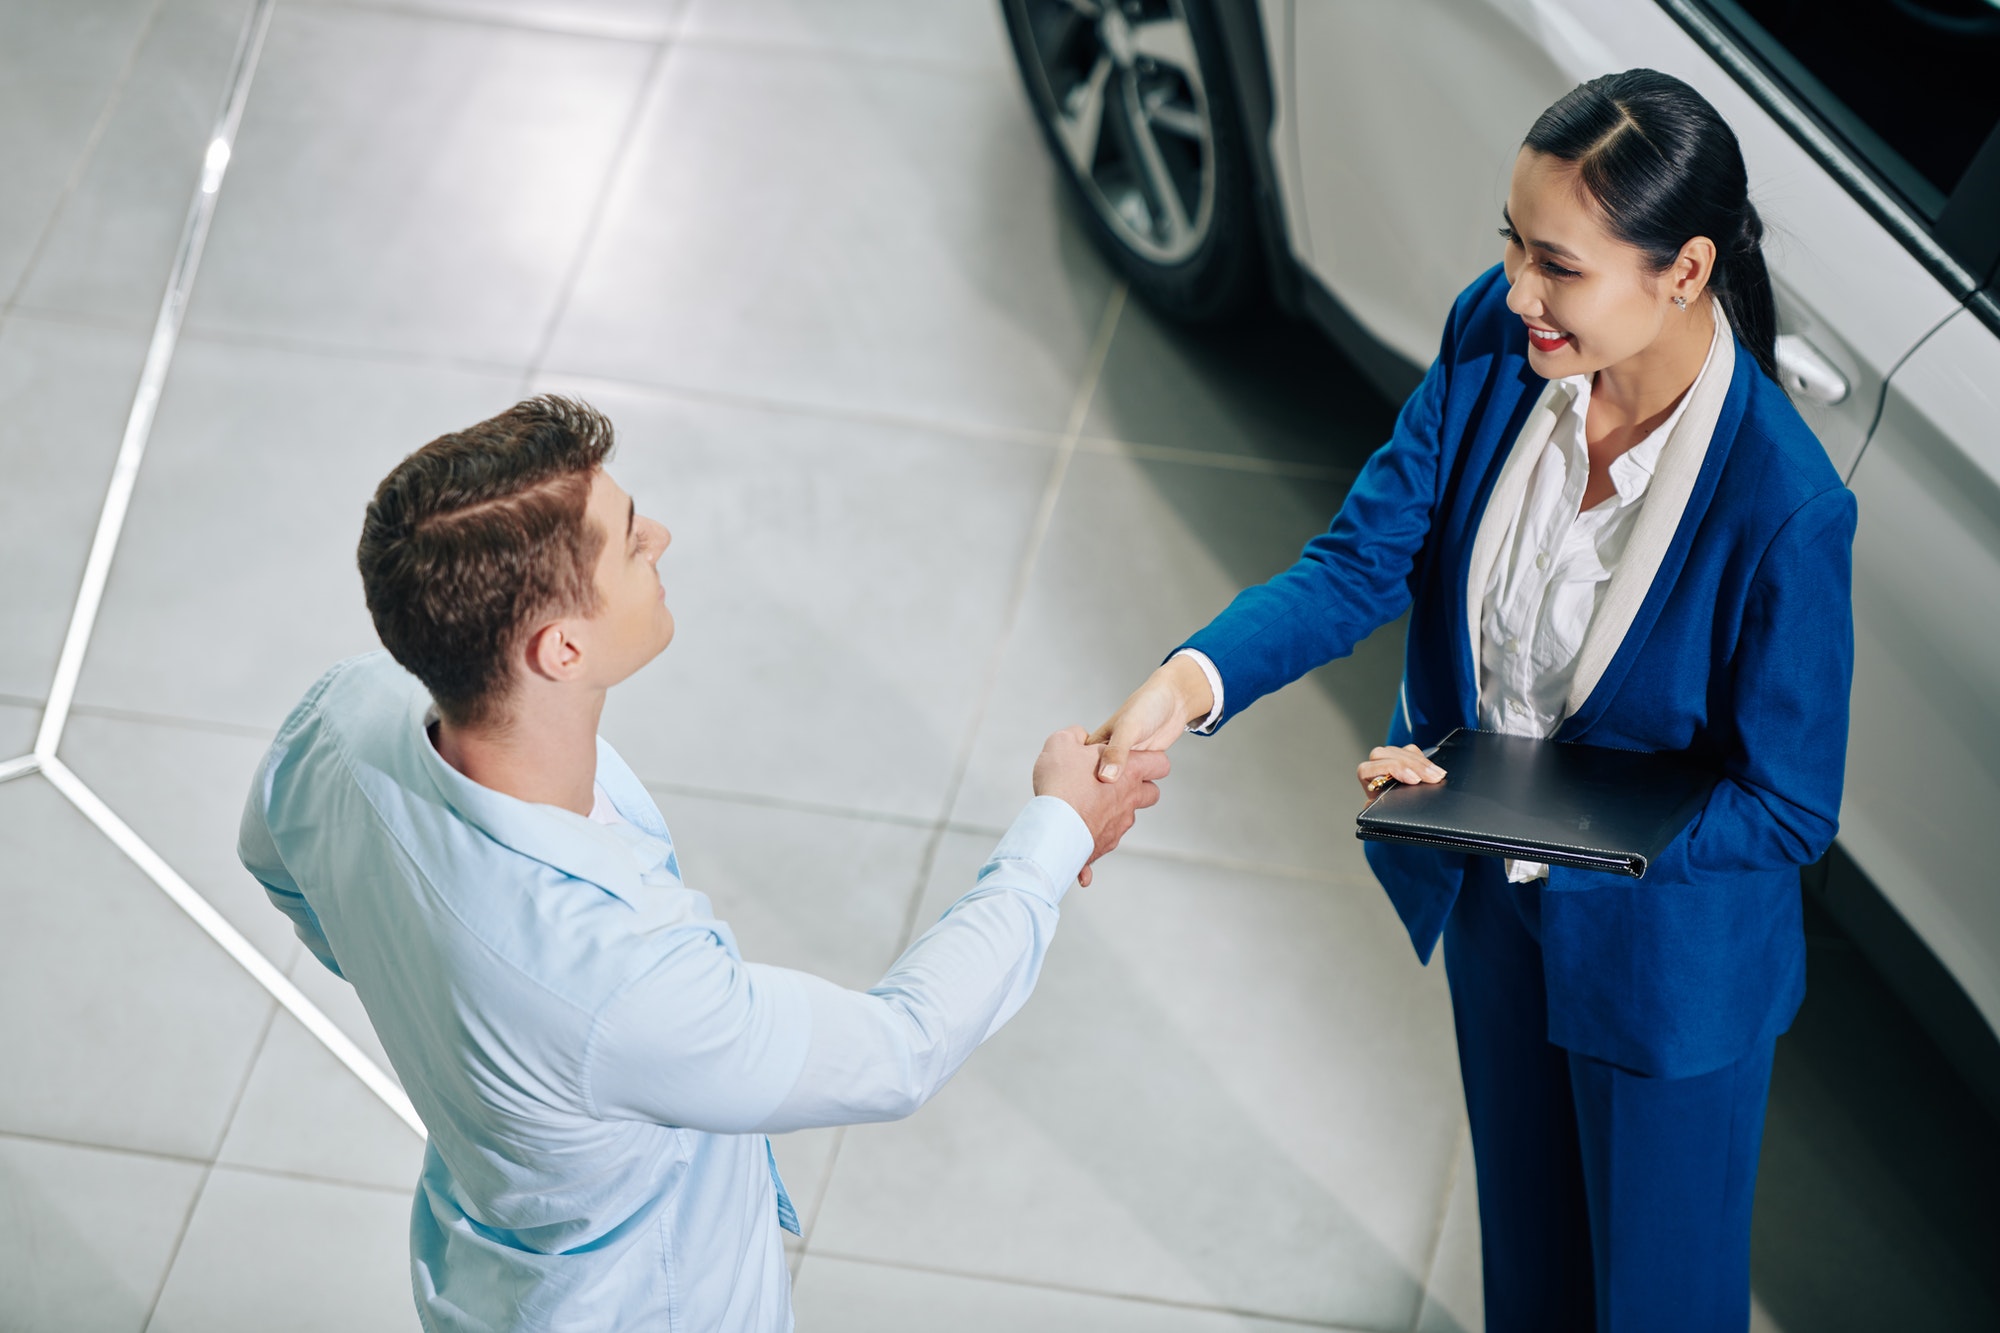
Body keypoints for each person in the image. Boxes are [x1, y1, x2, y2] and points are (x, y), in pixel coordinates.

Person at [1089, 70, 1853, 1333]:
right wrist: (1191, 679)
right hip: (1494, 920)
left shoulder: (1784, 507)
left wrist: (1526, 808)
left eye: (1556, 265)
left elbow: (1784, 811)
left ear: (1683, 268)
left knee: (1659, 1306)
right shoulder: (1494, 345)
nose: (1514, 291)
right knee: (1531, 1274)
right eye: (1508, 241)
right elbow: (1357, 560)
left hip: (1668, 978)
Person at [237, 396, 1170, 1333]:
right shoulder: (615, 987)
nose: (664, 537)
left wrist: (438, 1002)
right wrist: (1060, 829)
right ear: (561, 648)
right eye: (632, 540)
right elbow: (898, 1050)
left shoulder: (348, 715)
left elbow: (270, 855)